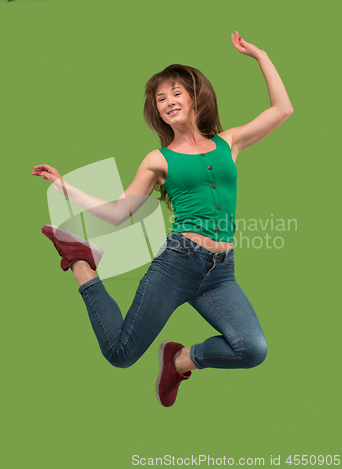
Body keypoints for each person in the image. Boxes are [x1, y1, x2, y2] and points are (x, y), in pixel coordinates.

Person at [31, 31, 293, 407]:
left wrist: (261, 55)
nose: (168, 102)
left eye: (175, 93)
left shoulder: (228, 143)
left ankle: (180, 360)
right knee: (120, 353)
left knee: (252, 349)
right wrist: (64, 186)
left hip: (221, 272)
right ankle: (80, 260)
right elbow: (119, 212)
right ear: (157, 110)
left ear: (194, 96)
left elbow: (282, 109)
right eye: (160, 98)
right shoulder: (159, 160)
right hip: (178, 264)